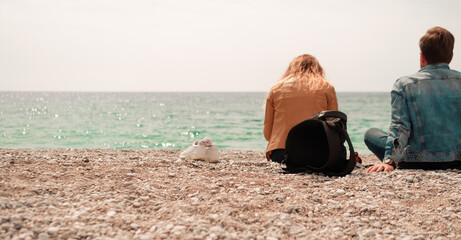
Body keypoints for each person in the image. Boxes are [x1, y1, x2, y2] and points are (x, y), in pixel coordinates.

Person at [365, 26, 461, 173]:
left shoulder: (404, 85)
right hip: (457, 160)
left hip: (415, 161)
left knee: (371, 134)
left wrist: (389, 160)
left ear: (422, 56)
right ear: (451, 56)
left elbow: (400, 127)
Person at [264, 54, 338, 163]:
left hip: (282, 153)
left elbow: (267, 134)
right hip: (318, 152)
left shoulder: (276, 88)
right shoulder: (326, 87)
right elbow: (335, 124)